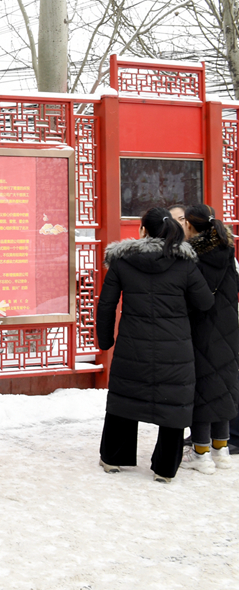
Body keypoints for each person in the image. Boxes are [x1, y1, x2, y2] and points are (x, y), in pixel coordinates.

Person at [95, 207, 214, 482]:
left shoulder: (122, 261)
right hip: (175, 348)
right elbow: (205, 302)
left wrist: (105, 340)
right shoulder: (184, 262)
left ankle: (113, 458)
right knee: (173, 406)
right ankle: (164, 469)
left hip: (132, 347)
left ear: (143, 230)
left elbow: (106, 305)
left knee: (125, 400)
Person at [178, 204, 239, 474]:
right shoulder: (227, 250)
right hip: (228, 329)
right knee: (223, 387)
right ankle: (221, 452)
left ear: (190, 225)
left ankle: (201, 454)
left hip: (200, 329)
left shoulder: (190, 256)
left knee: (201, 389)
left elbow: (193, 297)